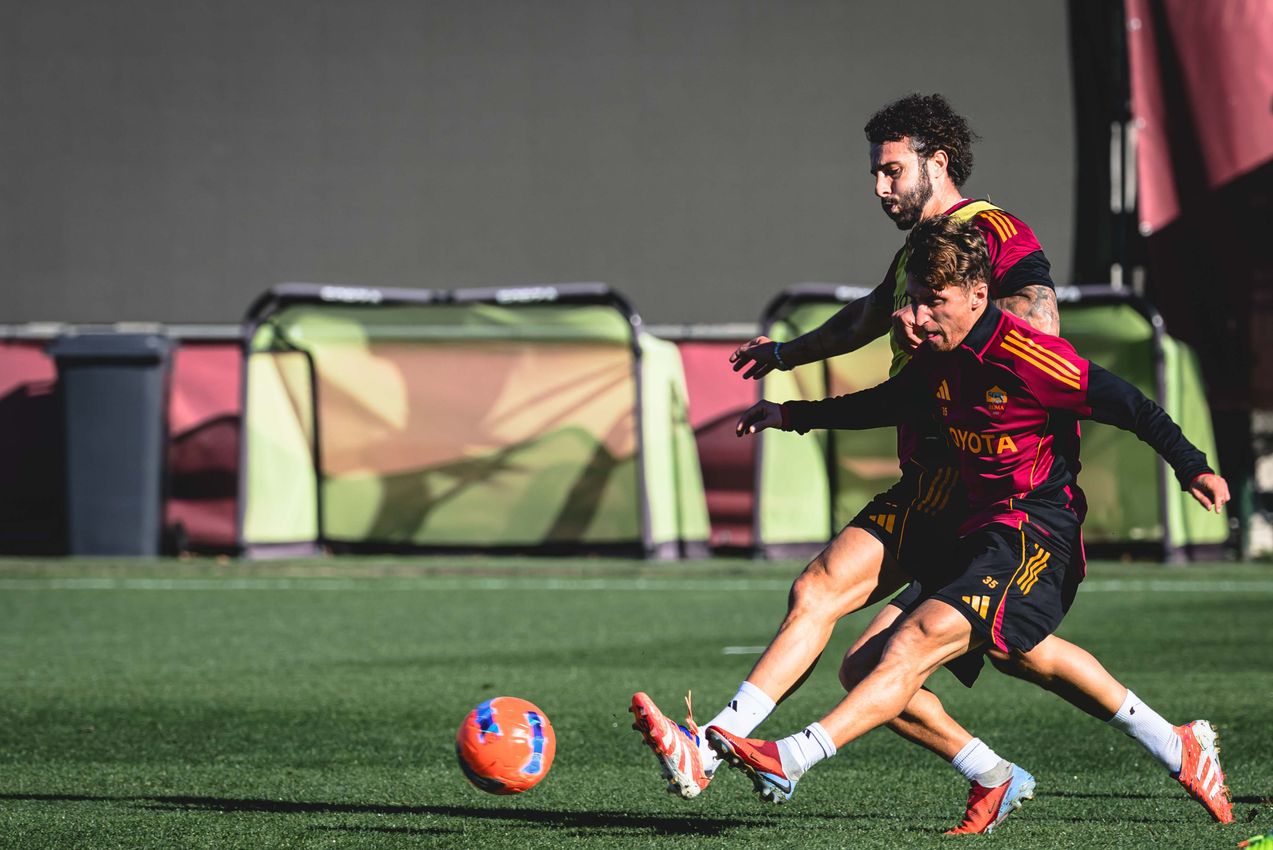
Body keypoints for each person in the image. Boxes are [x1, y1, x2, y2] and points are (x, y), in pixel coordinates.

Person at [632, 93, 1228, 833]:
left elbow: (1038, 316)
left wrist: (990, 383)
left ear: (935, 162)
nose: (879, 187)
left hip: (1000, 493)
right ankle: (725, 749)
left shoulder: (989, 230)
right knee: (831, 600)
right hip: (937, 480)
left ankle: (782, 756)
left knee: (974, 652)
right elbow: (866, 322)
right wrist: (788, 363)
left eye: (890, 171)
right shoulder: (919, 257)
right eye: (875, 174)